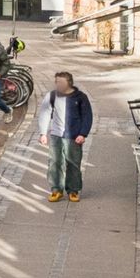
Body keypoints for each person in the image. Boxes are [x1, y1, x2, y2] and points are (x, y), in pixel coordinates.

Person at [41, 71, 92, 203]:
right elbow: (45, 113)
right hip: (56, 135)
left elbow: (87, 116)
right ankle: (56, 189)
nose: (57, 84)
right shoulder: (52, 96)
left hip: (74, 136)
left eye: (60, 82)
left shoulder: (80, 97)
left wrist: (83, 133)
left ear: (69, 83)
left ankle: (73, 190)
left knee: (73, 163)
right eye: (56, 82)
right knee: (55, 162)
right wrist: (43, 133)